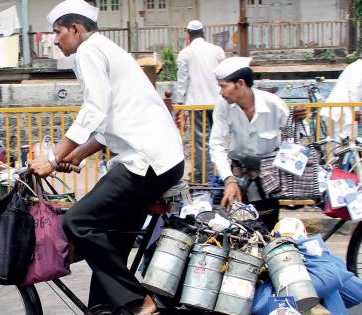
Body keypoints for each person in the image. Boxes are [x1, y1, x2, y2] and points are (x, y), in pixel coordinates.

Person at [28, 1, 184, 314]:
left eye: (58, 32)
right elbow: (107, 123)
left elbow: (94, 110)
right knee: (112, 242)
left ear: (75, 29)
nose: (55, 40)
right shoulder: (106, 49)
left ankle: (139, 301)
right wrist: (75, 153)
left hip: (146, 161)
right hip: (159, 160)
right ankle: (106, 309)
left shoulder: (89, 51)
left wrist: (54, 157)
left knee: (77, 222)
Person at [209, 57, 306, 230]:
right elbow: (217, 145)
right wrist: (229, 180)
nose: (221, 92)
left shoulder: (274, 104)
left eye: (224, 86)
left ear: (240, 83)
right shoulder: (223, 106)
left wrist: (298, 120)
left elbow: (296, 139)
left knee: (268, 229)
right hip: (240, 180)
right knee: (237, 231)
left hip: (269, 182)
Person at [176, 20, 225, 183]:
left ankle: (206, 175)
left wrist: (179, 104)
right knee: (217, 138)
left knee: (201, 141)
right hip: (217, 102)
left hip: (197, 104)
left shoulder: (185, 53)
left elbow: (182, 82)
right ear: (203, 33)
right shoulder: (217, 51)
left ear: (188, 35)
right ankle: (216, 172)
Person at [320, 54, 362, 139]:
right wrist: (356, 110)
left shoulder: (354, 66)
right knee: (346, 142)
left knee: (336, 143)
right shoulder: (359, 68)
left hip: (339, 108)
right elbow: (354, 89)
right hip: (344, 110)